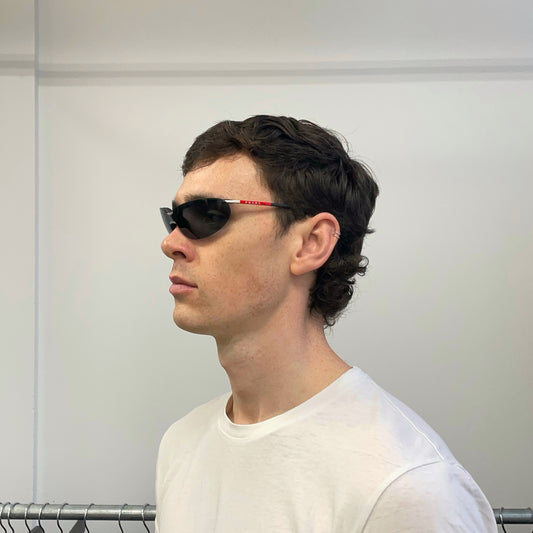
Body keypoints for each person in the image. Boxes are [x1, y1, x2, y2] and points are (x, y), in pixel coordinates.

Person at [155, 115, 497, 532]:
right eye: (174, 219)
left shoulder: (405, 488)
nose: (171, 243)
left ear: (311, 243)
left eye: (205, 215)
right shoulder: (181, 444)